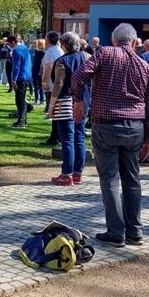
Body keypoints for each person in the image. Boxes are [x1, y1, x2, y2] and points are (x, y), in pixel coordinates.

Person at [71, 23, 149, 248]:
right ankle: (135, 231)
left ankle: (116, 232)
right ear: (135, 42)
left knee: (110, 179)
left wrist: (79, 101)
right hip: (135, 127)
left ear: (114, 39)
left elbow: (78, 76)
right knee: (132, 179)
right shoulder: (145, 65)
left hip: (106, 124)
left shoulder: (105, 53)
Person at [48, 32, 88, 186]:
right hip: (83, 101)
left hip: (65, 101)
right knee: (80, 136)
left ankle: (67, 174)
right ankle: (78, 173)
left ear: (64, 44)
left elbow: (59, 84)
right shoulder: (86, 57)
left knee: (67, 139)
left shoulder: (62, 61)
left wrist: (51, 105)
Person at [9, 35, 32, 128]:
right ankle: (23, 120)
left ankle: (21, 121)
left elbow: (16, 66)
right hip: (27, 76)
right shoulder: (24, 48)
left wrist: (13, 80)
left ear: (13, 42)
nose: (10, 46)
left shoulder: (16, 50)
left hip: (20, 78)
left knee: (19, 100)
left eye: (10, 44)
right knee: (22, 99)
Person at [31, 39, 46, 104]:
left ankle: (41, 99)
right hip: (36, 69)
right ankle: (37, 99)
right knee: (36, 85)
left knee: (39, 85)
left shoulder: (43, 53)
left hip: (39, 69)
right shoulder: (37, 52)